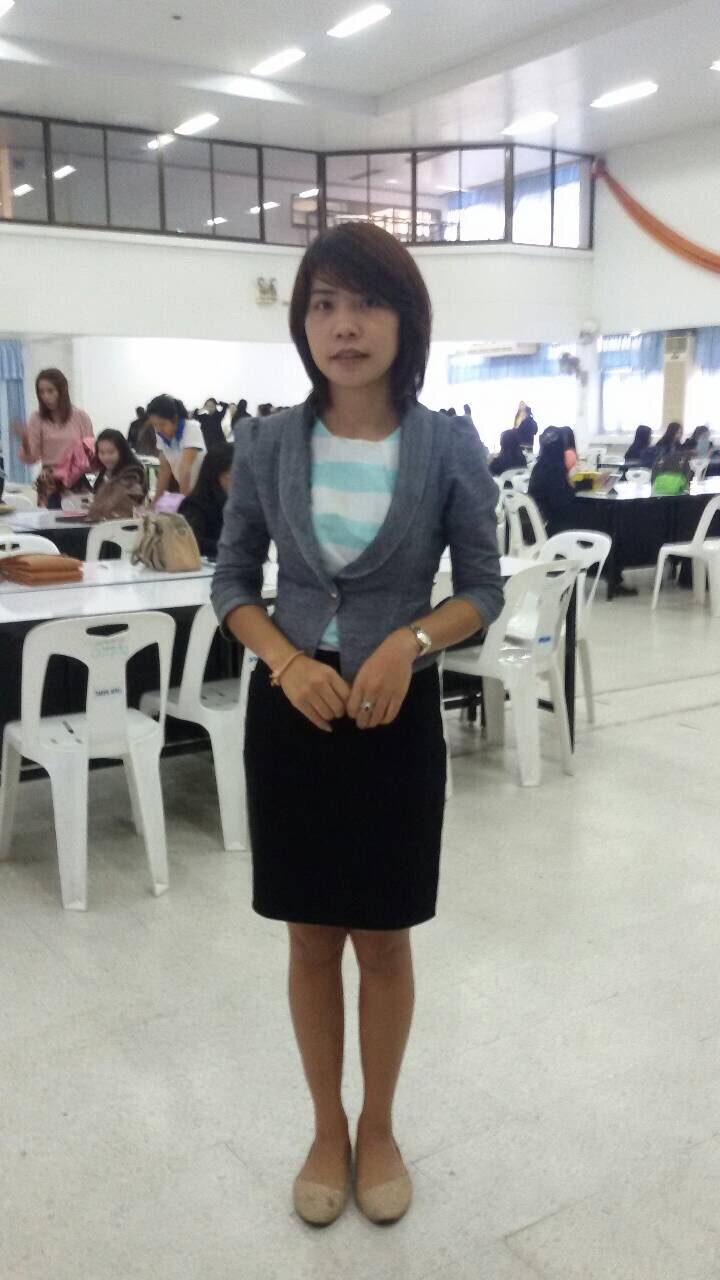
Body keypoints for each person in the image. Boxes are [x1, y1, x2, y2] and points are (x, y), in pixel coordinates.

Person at [212, 221, 503, 1229]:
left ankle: (377, 1125)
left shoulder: (447, 445)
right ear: (302, 323)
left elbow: (483, 589)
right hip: (292, 717)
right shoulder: (266, 444)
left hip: (394, 719)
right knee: (308, 938)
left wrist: (409, 641)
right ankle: (324, 1126)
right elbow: (232, 580)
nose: (345, 325)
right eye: (325, 304)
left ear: (406, 320)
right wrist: (288, 659)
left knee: (382, 939)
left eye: (369, 302)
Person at [14, 368, 95, 508]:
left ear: (62, 391)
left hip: (76, 479)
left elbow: (90, 453)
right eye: (41, 392)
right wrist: (25, 440)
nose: (45, 396)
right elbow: (31, 458)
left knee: (79, 519)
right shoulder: (37, 418)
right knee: (49, 519)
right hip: (50, 481)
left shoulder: (81, 417)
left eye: (50, 391)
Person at [178, 442, 233, 557]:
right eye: (230, 474)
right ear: (215, 475)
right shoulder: (194, 506)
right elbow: (192, 542)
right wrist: (233, 548)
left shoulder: (237, 503)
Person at [146, 394, 206, 500]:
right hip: (187, 490)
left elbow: (185, 469)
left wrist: (183, 503)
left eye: (162, 424)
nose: (158, 429)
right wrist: (155, 502)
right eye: (155, 425)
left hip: (204, 491)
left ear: (175, 419)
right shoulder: (160, 433)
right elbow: (164, 469)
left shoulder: (191, 428)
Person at [88, 429, 148, 521]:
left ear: (122, 451)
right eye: (102, 452)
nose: (106, 457)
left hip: (122, 524)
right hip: (107, 522)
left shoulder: (133, 474)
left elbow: (117, 504)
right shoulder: (107, 471)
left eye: (111, 452)